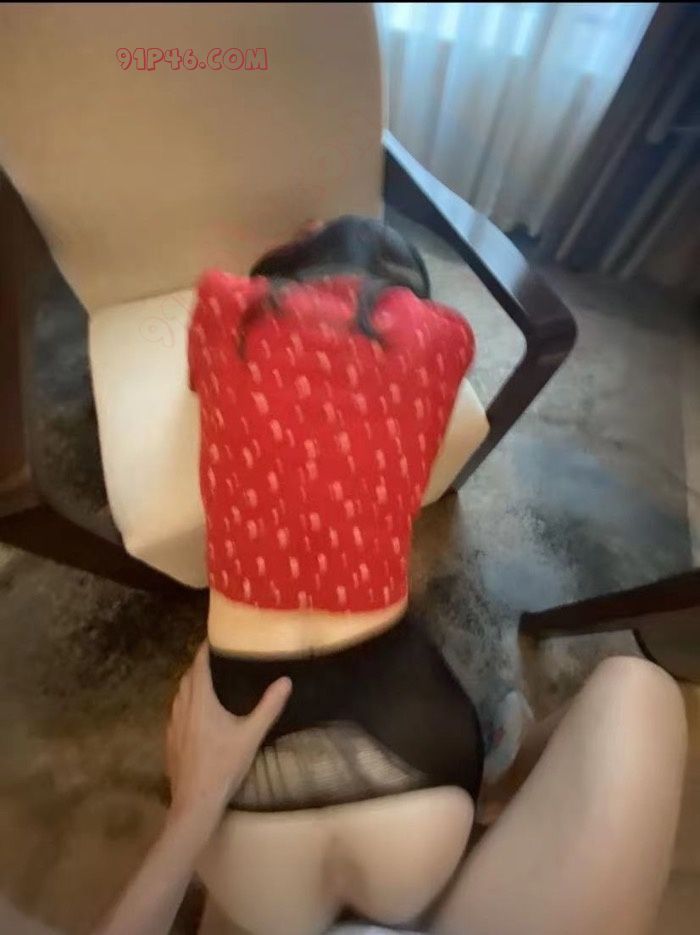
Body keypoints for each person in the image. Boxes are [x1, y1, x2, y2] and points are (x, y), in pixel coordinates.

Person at [94, 643, 687, 935]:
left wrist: (194, 809)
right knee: (638, 693)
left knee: (637, 693)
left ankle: (501, 786)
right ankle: (504, 777)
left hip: (275, 899)